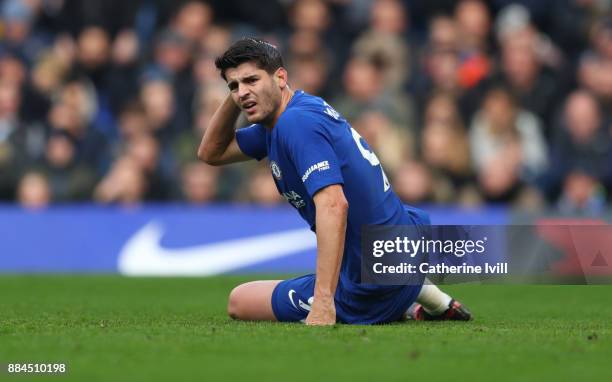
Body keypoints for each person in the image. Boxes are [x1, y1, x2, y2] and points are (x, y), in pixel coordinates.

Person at [198, 38, 471, 325]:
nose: (242, 93)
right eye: (233, 86)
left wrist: (324, 300)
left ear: (281, 77)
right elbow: (210, 153)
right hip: (404, 245)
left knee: (239, 300)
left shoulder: (295, 124)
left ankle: (399, 302)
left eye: (252, 80)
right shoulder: (290, 115)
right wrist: (243, 92)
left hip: (369, 282)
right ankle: (426, 296)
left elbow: (333, 205)